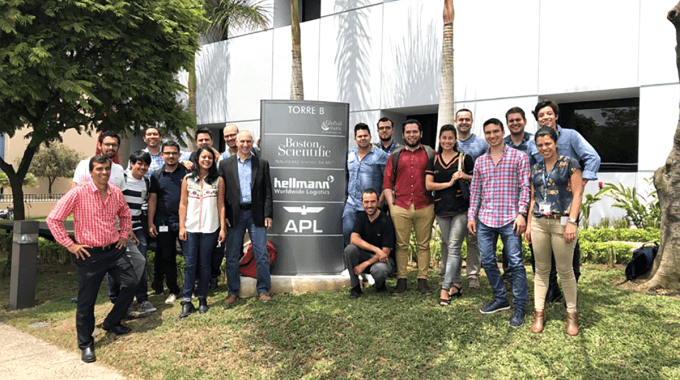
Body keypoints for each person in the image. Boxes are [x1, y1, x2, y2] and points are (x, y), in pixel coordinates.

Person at [47, 156, 138, 363]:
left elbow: (125, 214)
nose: (104, 172)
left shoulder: (115, 192)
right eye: (99, 169)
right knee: (87, 301)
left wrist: (124, 235)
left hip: (114, 250)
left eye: (107, 168)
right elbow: (53, 219)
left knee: (131, 283)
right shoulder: (78, 193)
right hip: (89, 254)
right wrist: (70, 245)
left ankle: (112, 322)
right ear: (91, 171)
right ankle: (86, 343)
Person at [526, 100, 601, 304]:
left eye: (549, 113)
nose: (545, 117)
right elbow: (531, 172)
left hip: (567, 208)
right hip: (543, 210)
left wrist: (581, 182)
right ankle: (551, 291)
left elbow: (593, 157)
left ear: (556, 116)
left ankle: (571, 291)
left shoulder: (571, 136)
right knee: (542, 257)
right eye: (541, 115)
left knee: (569, 252)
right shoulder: (533, 141)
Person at [467, 118, 530, 328]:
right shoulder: (480, 162)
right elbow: (475, 192)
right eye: (488, 133)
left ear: (502, 132)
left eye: (495, 132)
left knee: (515, 263)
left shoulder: (518, 157)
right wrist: (471, 217)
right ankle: (501, 299)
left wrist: (522, 214)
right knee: (487, 260)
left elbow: (525, 188)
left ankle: (519, 306)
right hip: (486, 219)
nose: (492, 136)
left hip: (510, 219)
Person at [525, 127, 583, 336]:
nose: (544, 148)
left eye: (548, 143)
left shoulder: (570, 164)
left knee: (565, 271)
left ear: (555, 143)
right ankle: (539, 313)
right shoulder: (536, 168)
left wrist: (572, 222)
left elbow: (577, 194)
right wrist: (530, 224)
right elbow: (533, 198)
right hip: (540, 222)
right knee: (540, 270)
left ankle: (572, 315)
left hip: (562, 222)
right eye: (540, 145)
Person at [382, 119, 435, 296]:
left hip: (424, 204)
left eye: (415, 132)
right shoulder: (395, 156)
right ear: (403, 134)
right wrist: (392, 205)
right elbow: (387, 183)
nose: (411, 135)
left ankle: (422, 280)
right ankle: (402, 280)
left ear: (420, 133)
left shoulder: (430, 154)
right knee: (401, 245)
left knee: (424, 245)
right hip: (401, 206)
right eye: (408, 132)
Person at [220, 130, 274, 304]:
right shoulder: (225, 165)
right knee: (232, 255)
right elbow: (223, 193)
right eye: (242, 141)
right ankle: (233, 291)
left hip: (256, 214)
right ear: (236, 141)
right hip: (234, 215)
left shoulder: (262, 164)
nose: (245, 144)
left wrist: (268, 214)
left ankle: (264, 289)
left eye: (248, 141)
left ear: (252, 143)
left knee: (261, 254)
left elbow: (267, 192)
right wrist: (225, 216)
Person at [425, 125, 474, 306]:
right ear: (439, 139)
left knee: (453, 246)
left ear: (455, 140)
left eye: (450, 138)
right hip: (441, 209)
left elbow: (477, 179)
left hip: (461, 209)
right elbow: (428, 185)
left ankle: (445, 288)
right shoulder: (434, 160)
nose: (447, 141)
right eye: (444, 138)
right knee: (447, 245)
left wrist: (465, 176)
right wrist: (449, 183)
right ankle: (458, 283)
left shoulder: (464, 158)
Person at [178, 147, 227, 318]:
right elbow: (183, 204)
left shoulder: (218, 180)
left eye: (210, 158)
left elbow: (221, 205)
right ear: (197, 158)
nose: (206, 160)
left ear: (213, 161)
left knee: (205, 264)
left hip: (210, 227)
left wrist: (222, 228)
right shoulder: (187, 179)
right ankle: (186, 300)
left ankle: (202, 299)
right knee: (191, 264)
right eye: (203, 157)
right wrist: (182, 226)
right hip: (190, 228)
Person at [107, 151, 157, 315]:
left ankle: (142, 299)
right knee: (118, 265)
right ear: (132, 163)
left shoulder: (147, 181)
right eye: (139, 163)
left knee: (140, 264)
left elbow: (147, 202)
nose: (142, 167)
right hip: (118, 228)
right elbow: (113, 204)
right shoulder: (122, 177)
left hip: (136, 227)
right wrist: (123, 229)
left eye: (145, 164)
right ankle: (118, 301)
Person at [148, 141, 188, 304]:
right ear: (162, 155)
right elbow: (152, 200)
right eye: (168, 153)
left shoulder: (187, 172)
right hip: (164, 223)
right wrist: (151, 222)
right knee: (167, 257)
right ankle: (173, 290)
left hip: (185, 223)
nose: (171, 156)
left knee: (189, 256)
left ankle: (190, 288)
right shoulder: (156, 175)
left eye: (174, 153)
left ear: (179, 155)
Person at [453, 109, 488, 289]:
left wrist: (467, 177)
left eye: (467, 119)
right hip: (454, 200)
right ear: (455, 121)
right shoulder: (449, 142)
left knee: (474, 240)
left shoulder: (481, 145)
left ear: (472, 121)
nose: (464, 122)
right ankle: (454, 275)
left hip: (477, 199)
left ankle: (473, 276)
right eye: (461, 119)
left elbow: (487, 174)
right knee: (454, 240)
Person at [500, 107, 534, 290]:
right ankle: (509, 276)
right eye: (511, 120)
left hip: (536, 196)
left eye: (518, 120)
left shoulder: (534, 142)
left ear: (525, 121)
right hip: (512, 200)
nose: (515, 123)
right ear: (507, 124)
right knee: (509, 239)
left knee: (535, 238)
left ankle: (543, 279)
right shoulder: (503, 144)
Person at [343, 188, 396, 299]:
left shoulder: (386, 221)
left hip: (382, 260)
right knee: (349, 249)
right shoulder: (361, 217)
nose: (369, 205)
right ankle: (355, 287)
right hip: (368, 255)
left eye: (372, 201)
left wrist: (365, 264)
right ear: (362, 203)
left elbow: (385, 253)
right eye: (366, 202)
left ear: (377, 202)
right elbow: (354, 238)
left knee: (379, 269)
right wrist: (376, 249)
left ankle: (380, 285)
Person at [343, 123, 389, 247]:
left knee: (370, 238)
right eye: (359, 136)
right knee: (347, 233)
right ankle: (350, 264)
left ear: (370, 136)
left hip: (371, 204)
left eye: (365, 135)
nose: (363, 138)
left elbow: (388, 180)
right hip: (352, 203)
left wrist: (381, 200)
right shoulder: (349, 155)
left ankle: (368, 264)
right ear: (355, 139)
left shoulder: (381, 156)